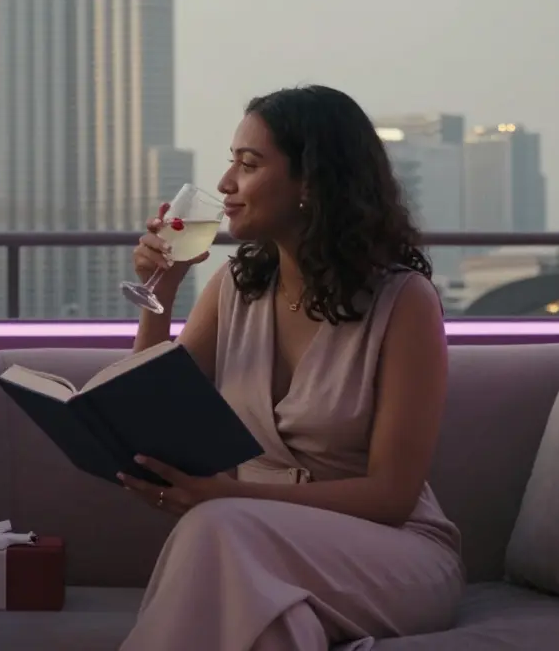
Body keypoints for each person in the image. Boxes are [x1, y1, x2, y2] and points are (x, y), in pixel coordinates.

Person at [117, 85, 464, 651]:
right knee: (277, 627)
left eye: (249, 164)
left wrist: (229, 497)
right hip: (252, 549)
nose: (225, 183)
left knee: (216, 527)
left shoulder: (404, 302)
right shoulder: (235, 288)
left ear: (311, 183)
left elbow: (392, 497)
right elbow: (146, 414)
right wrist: (163, 289)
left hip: (390, 554)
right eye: (231, 162)